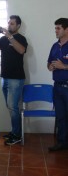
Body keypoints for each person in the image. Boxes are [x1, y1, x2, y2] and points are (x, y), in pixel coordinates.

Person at [0, 15, 28, 146]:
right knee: (10, 106)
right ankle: (14, 132)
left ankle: (17, 135)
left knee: (13, 107)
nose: (9, 25)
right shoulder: (3, 39)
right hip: (4, 77)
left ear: (18, 26)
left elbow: (22, 50)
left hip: (16, 78)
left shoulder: (20, 38)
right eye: (8, 23)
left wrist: (9, 36)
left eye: (12, 24)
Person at [47, 18, 68, 151]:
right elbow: (49, 63)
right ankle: (62, 143)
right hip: (58, 87)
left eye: (58, 28)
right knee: (60, 116)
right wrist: (50, 66)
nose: (56, 30)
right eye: (55, 28)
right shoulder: (55, 46)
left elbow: (63, 65)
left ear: (66, 29)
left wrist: (64, 66)